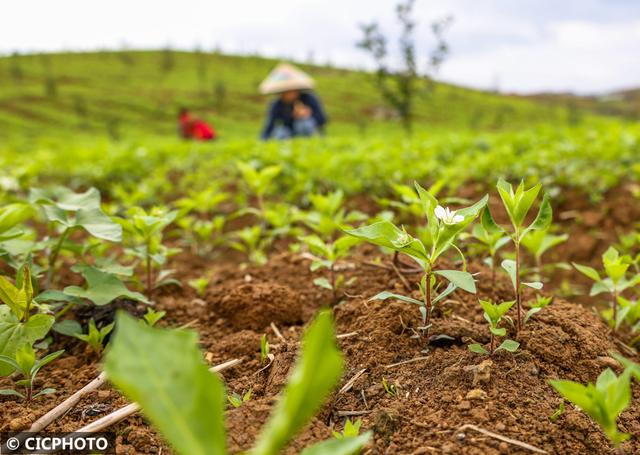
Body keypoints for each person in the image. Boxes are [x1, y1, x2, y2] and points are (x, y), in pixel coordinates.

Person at [259, 63, 327, 140]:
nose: (288, 94)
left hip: (308, 131)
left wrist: (307, 115)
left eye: (291, 90)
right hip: (289, 133)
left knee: (303, 123)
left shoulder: (309, 98)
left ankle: (307, 141)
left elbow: (322, 119)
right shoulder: (277, 104)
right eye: (285, 91)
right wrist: (263, 138)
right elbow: (270, 124)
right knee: (280, 132)